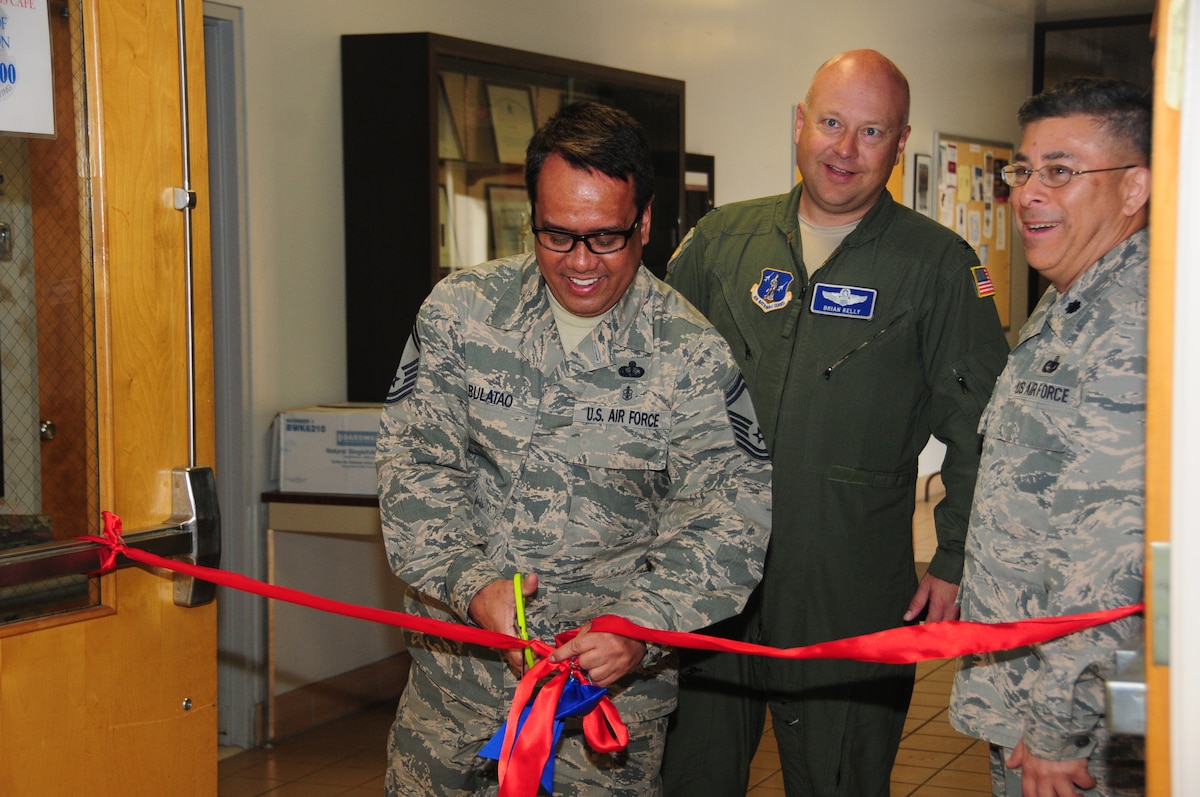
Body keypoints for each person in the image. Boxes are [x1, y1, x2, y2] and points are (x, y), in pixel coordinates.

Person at [376, 100, 773, 797]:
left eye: (605, 238)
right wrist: (472, 587)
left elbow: (730, 519)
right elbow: (415, 468)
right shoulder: (462, 315)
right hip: (455, 698)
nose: (579, 263)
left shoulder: (690, 355)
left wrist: (640, 628)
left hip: (600, 716)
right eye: (556, 235)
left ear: (645, 223)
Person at [661, 49, 1010, 796]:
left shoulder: (939, 267)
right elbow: (649, 381)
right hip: (711, 581)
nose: (844, 150)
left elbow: (984, 426)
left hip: (848, 587)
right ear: (799, 123)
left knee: (840, 778)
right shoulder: (722, 243)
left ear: (900, 142)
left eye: (871, 131)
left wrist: (954, 557)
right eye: (830, 122)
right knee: (692, 775)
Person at [949, 77, 1151, 796]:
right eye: (1024, 171)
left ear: (1134, 189)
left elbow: (1114, 546)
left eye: (1061, 172)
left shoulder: (1132, 325)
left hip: (1078, 728)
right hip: (1032, 698)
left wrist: (1059, 724)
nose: (1030, 193)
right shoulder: (1069, 302)